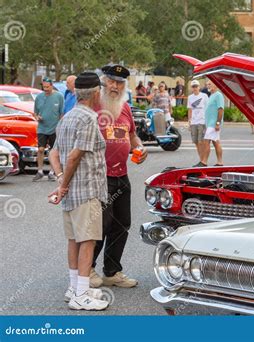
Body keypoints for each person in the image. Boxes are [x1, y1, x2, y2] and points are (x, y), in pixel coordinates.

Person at [48, 72, 109, 311]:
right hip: (85, 191)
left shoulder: (67, 118)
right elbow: (74, 155)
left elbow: (54, 153)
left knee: (74, 239)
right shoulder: (89, 119)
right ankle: (81, 295)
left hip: (71, 192)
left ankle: (75, 287)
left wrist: (61, 180)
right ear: (96, 93)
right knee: (88, 241)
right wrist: (63, 185)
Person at [89, 64, 147, 289]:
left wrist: (140, 148)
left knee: (122, 224)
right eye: (111, 81)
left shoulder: (125, 108)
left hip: (121, 174)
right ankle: (88, 269)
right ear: (102, 81)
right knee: (99, 226)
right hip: (98, 177)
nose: (114, 86)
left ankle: (111, 272)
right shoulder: (92, 106)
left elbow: (132, 135)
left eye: (120, 82)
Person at [33, 77, 64, 181]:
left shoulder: (59, 96)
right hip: (42, 127)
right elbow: (35, 113)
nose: (45, 89)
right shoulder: (39, 97)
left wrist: (59, 126)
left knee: (53, 151)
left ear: (51, 85)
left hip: (54, 128)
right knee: (41, 149)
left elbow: (62, 113)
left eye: (47, 87)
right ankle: (40, 171)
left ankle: (52, 172)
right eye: (44, 87)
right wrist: (37, 117)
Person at [187, 80, 208, 166]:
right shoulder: (190, 97)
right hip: (193, 122)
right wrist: (189, 121)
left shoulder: (204, 96)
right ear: (192, 88)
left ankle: (203, 161)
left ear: (199, 87)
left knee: (201, 142)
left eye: (196, 86)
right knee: (196, 142)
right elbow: (190, 110)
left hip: (202, 121)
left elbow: (208, 108)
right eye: (193, 86)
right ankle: (201, 160)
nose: (195, 88)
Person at [202, 80, 224, 166]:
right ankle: (220, 162)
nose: (208, 86)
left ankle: (204, 162)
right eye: (207, 84)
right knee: (216, 142)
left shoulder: (218, 95)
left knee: (206, 141)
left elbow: (221, 109)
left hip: (213, 124)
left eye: (210, 84)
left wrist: (218, 123)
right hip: (210, 124)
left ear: (215, 85)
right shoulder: (211, 95)